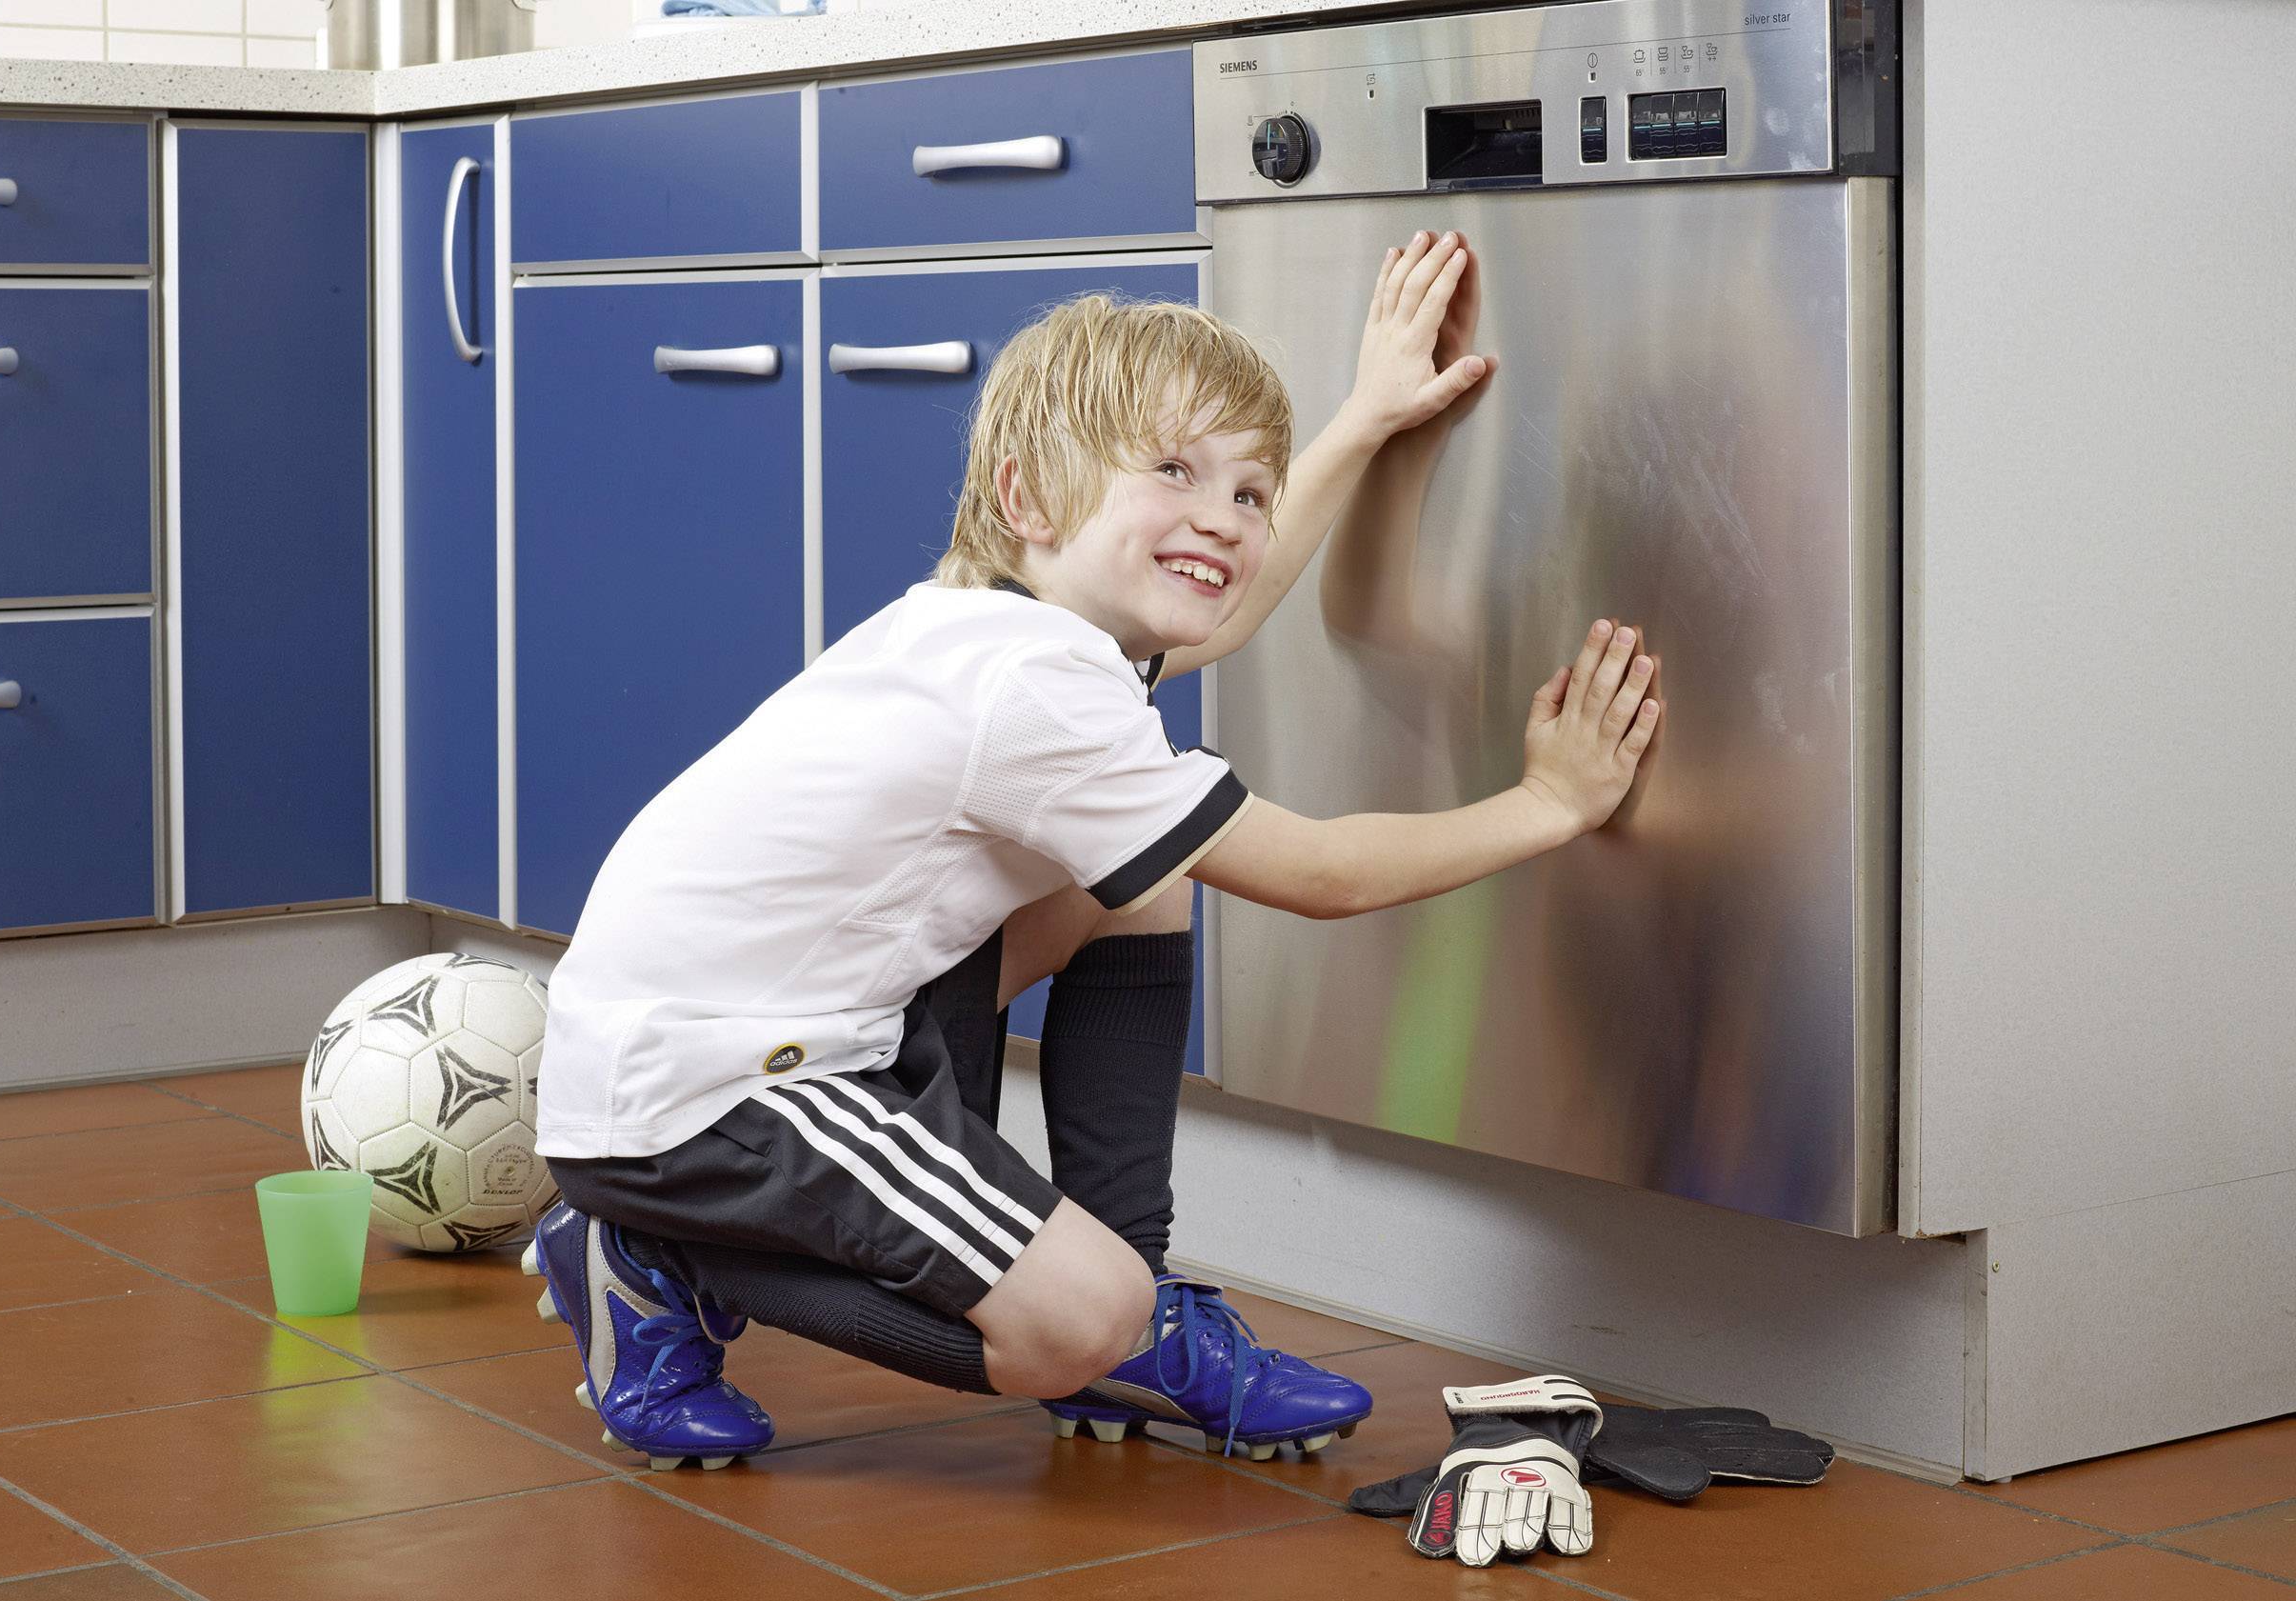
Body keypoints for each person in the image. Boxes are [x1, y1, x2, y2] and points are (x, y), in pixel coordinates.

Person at [524, 230, 1665, 1473]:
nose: (1225, 521)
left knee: (1143, 866)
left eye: (1247, 491)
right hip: (711, 1087)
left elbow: (1229, 605)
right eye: (1173, 470)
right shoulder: (1036, 685)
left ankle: (1131, 1292)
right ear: (1027, 498)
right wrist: (1550, 803)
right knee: (1077, 1313)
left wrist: (1363, 417)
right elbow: (1323, 874)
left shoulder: (993, 633)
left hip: (698, 1041)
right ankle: (650, 1246)